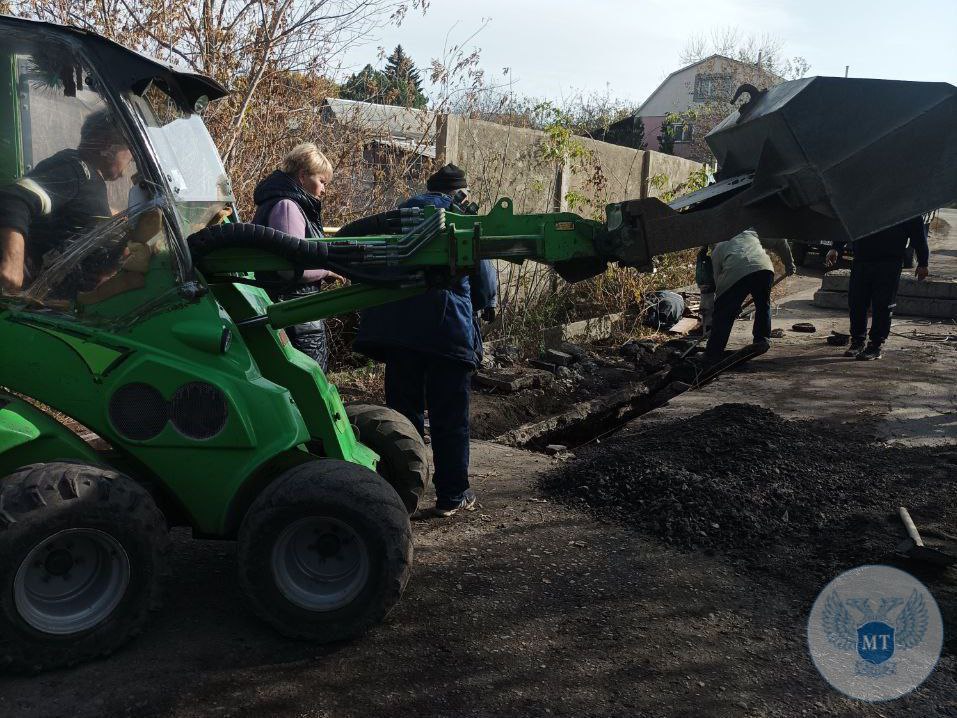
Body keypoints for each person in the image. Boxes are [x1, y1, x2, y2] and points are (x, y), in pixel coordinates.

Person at [354, 164, 498, 518]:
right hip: (447, 333)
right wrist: (479, 306)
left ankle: (405, 495)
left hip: (398, 334)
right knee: (450, 419)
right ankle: (452, 494)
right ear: (460, 191)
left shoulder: (398, 215)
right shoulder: (460, 219)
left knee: (403, 417)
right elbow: (484, 285)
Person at [0, 109, 133, 294]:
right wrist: (11, 262)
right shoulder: (76, 170)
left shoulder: (90, 180)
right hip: (26, 299)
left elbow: (80, 210)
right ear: (108, 144)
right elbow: (15, 198)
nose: (131, 160)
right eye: (130, 151)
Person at [251, 143, 342, 370]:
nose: (324, 189)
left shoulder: (284, 202)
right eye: (322, 181)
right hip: (296, 317)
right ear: (302, 176)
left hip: (293, 312)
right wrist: (327, 271)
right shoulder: (287, 207)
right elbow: (289, 268)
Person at [826, 216, 929, 360]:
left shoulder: (905, 201)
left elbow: (918, 233)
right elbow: (849, 223)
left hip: (890, 262)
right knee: (856, 302)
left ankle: (875, 345)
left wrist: (923, 262)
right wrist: (835, 247)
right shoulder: (865, 198)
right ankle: (857, 341)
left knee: (883, 304)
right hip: (862, 260)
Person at [704, 229, 795, 363]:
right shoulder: (749, 232)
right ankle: (762, 339)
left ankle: (713, 352)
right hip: (764, 269)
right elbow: (780, 240)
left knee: (723, 314)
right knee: (763, 304)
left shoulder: (717, 250)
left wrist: (729, 307)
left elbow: (720, 285)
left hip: (738, 272)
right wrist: (789, 264)